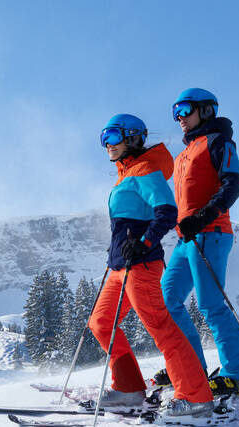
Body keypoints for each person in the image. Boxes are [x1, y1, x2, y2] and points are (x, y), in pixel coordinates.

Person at [90, 114, 213, 417]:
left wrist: (144, 242)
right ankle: (129, 388)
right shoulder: (126, 172)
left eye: (114, 137)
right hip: (120, 267)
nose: (108, 144)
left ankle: (196, 397)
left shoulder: (145, 169)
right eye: (104, 138)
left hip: (141, 266)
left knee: (161, 329)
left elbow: (167, 212)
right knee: (101, 323)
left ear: (132, 138)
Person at [156, 88, 239, 396]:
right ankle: (190, 367)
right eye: (175, 112)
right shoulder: (184, 154)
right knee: (168, 298)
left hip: (210, 232)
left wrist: (204, 215)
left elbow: (234, 181)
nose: (180, 118)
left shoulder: (218, 141)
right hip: (186, 239)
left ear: (206, 110)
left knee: (210, 304)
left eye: (185, 109)